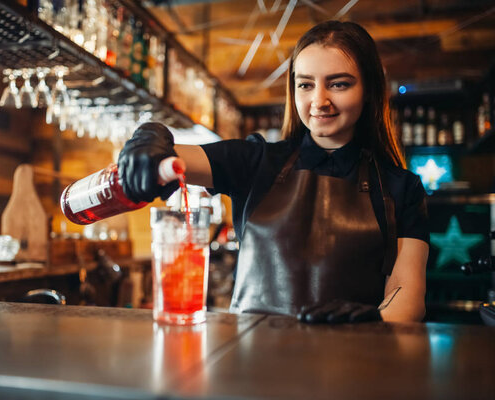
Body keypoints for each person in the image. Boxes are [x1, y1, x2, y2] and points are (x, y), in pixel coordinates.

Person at [118, 21, 429, 323]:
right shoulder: (256, 161)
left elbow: (407, 297)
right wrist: (150, 140)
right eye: (306, 85)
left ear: (369, 90)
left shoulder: (400, 188)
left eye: (339, 84)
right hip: (252, 366)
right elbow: (172, 160)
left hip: (352, 362)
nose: (319, 101)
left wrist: (374, 320)